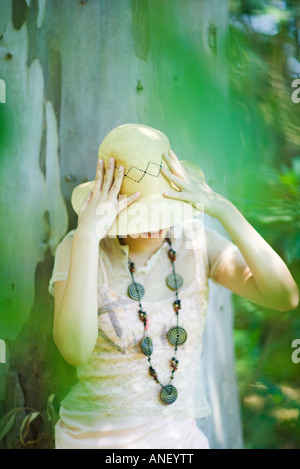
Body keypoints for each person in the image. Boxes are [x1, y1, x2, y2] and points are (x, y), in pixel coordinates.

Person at [48, 123, 299, 449]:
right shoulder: (79, 246)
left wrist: (223, 209)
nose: (154, 224)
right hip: (95, 441)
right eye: (139, 210)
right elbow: (74, 350)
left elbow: (284, 296)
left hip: (179, 442)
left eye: (161, 206)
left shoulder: (196, 243)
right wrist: (86, 235)